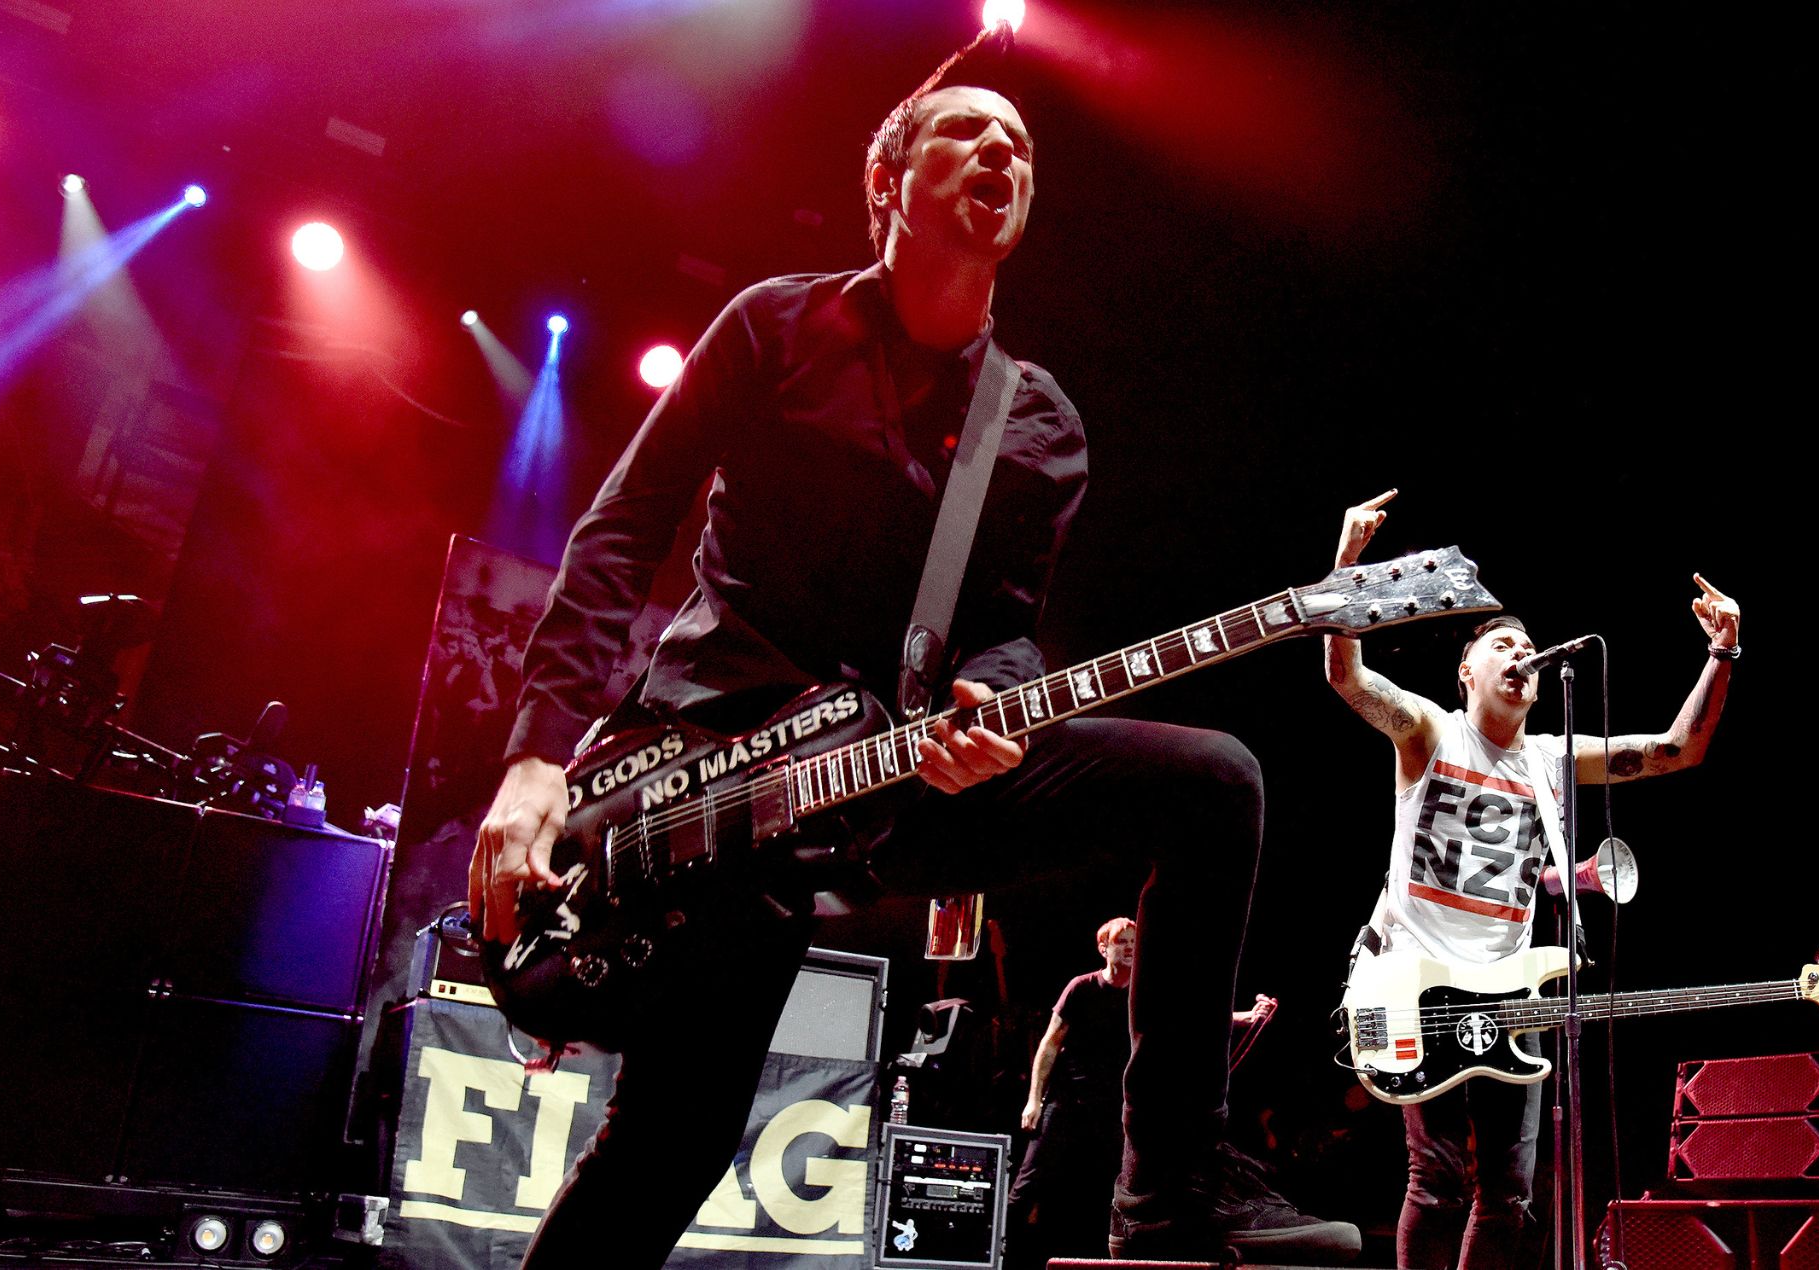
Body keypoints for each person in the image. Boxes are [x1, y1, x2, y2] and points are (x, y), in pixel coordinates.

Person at [467, 28, 1359, 1269]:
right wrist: (534, 760)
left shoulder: (1037, 423)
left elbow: (1001, 626)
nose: (1002, 147)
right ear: (887, 181)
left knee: (1212, 780)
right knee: (672, 1135)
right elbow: (621, 527)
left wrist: (987, 712)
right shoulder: (772, 328)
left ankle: (1171, 1181)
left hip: (902, 780)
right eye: (966, 130)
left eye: (1022, 145)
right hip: (712, 775)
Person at [1321, 490, 1742, 1270]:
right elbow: (1347, 677)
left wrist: (1722, 654)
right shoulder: (1428, 732)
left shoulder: (1553, 759)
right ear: (1465, 672)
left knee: (1510, 1194)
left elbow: (1679, 750)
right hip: (1410, 977)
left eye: (1528, 647)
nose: (1522, 655)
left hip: (1510, 987)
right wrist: (1347, 567)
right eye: (1504, 645)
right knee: (1437, 1179)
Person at [1008, 917, 1277, 1265]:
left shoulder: (1143, 993)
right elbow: (1048, 1046)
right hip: (1068, 1101)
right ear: (1104, 948)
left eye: (1136, 940)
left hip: (1114, 1108)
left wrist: (1245, 1018)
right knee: (1029, 1182)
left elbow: (1192, 1019)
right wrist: (1033, 1100)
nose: (1131, 947)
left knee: (1116, 1190)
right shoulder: (1082, 987)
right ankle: (1000, 1252)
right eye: (1122, 941)